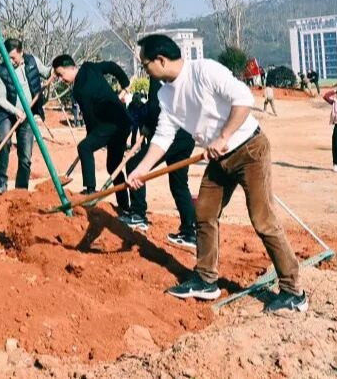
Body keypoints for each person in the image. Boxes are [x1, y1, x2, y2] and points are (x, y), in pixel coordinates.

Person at [126, 34, 307, 314]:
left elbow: (244, 99)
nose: (144, 70)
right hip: (218, 159)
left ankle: (293, 291)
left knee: (262, 219)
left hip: (249, 150)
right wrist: (140, 170)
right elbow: (163, 136)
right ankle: (206, 280)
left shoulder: (204, 70)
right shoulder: (165, 94)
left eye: (145, 64)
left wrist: (224, 136)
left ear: (160, 60)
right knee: (204, 214)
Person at [52, 55, 136, 220]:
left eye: (61, 74)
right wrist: (125, 84)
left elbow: (89, 117)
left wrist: (90, 138)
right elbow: (112, 65)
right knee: (114, 166)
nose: (62, 79)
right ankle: (125, 207)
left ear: (71, 67)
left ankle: (90, 189)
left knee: (84, 147)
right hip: (122, 121)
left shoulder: (78, 90)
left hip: (112, 123)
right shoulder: (90, 67)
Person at [129, 77, 199, 247]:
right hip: (186, 136)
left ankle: (138, 215)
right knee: (179, 184)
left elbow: (155, 108)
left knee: (135, 165)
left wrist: (147, 123)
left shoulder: (156, 77)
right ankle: (189, 232)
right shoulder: (176, 76)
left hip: (172, 136)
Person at [0, 39, 51, 195]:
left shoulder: (33, 62)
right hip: (6, 113)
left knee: (25, 154)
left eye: (13, 57)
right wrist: (17, 112)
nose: (10, 61)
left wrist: (56, 70)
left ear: (21, 52)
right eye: (7, 58)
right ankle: (1, 183)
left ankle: (21, 189)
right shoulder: (1, 72)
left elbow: (47, 72)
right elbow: (1, 99)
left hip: (28, 113)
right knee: (4, 141)